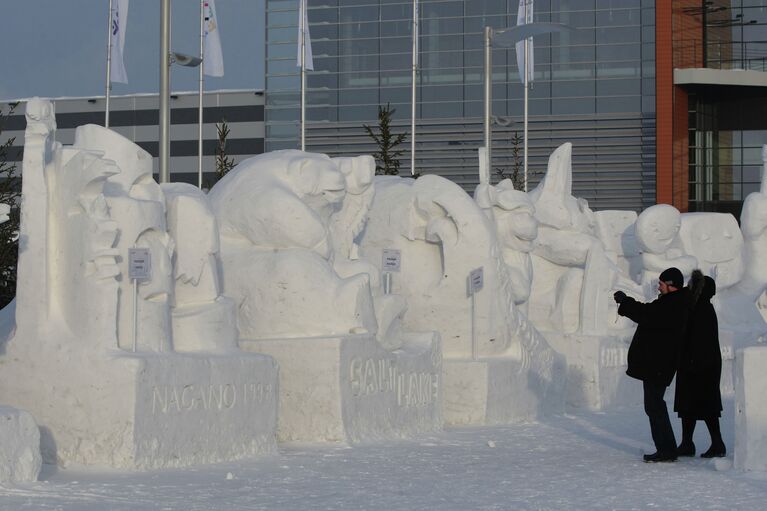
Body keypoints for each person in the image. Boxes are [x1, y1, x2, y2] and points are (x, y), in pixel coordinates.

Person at [614, 267, 691, 463]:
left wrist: (625, 301)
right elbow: (648, 312)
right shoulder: (673, 302)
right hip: (658, 363)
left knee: (655, 406)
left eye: (662, 283)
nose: (659, 286)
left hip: (659, 364)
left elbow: (645, 313)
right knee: (655, 406)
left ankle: (666, 450)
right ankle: (667, 448)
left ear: (671, 285)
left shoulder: (673, 305)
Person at [674, 270, 726, 458]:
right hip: (700, 365)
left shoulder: (700, 309)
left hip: (698, 366)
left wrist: (689, 360)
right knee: (693, 406)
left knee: (701, 405)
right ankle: (691, 442)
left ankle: (713, 443)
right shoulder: (701, 308)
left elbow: (696, 339)